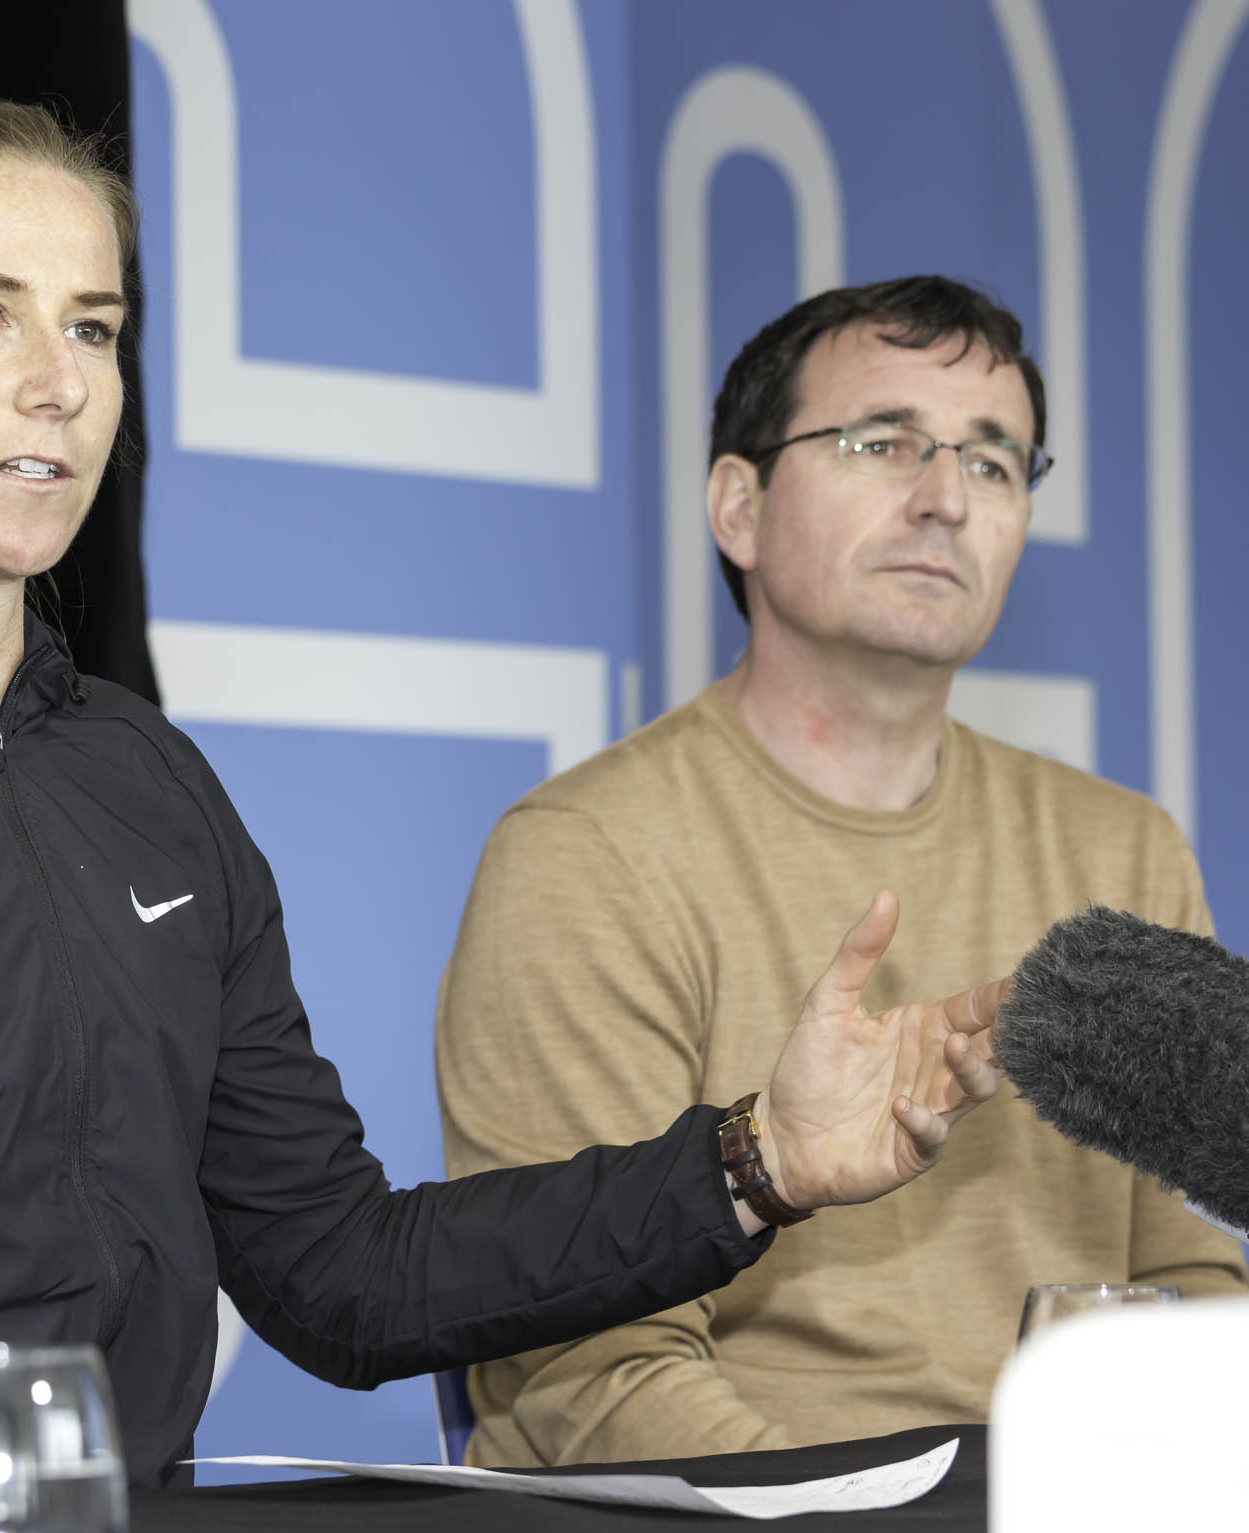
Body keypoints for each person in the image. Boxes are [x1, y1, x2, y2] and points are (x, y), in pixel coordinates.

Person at [0, 106, 1006, 1513]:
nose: (57, 385)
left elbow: (341, 1275)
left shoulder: (147, 782)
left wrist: (757, 1161)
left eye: (96, 328)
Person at [435, 275, 1249, 1469]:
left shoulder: (1120, 846)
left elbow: (1186, 1284)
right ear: (738, 507)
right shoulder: (585, 855)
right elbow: (587, 1374)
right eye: (882, 443)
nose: (944, 501)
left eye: (992, 461)